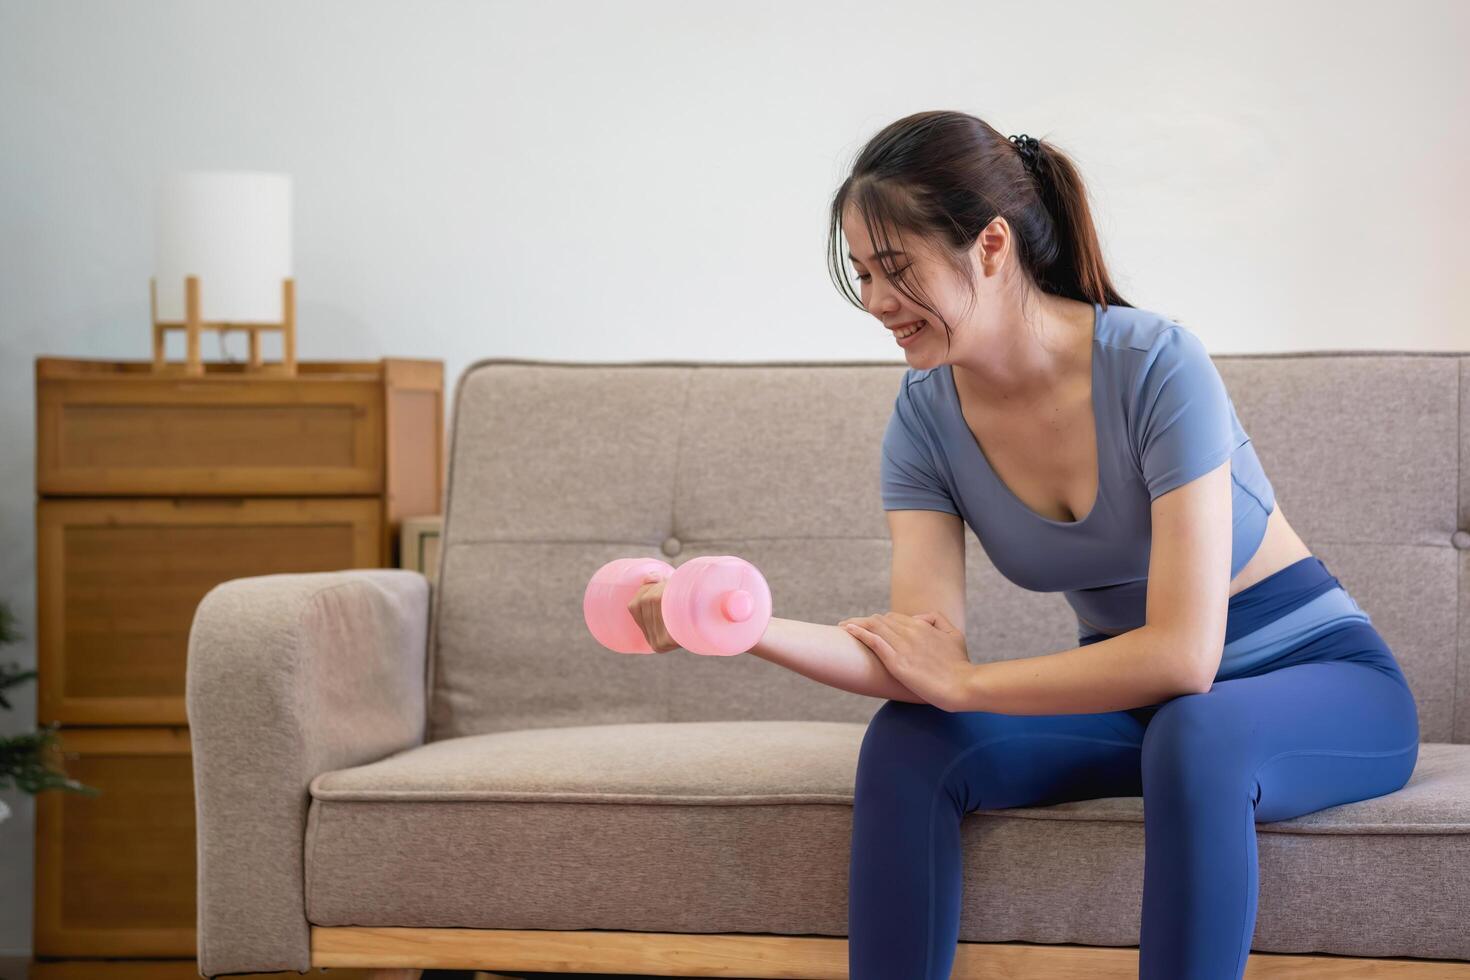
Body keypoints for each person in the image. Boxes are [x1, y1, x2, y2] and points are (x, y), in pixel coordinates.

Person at [826, 110, 1420, 980]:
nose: (875, 302)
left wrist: (968, 683)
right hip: (1138, 700)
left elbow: (1184, 656)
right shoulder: (923, 419)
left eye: (896, 269)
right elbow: (922, 653)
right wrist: (729, 623)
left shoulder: (1155, 364)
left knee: (1198, 732)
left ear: (991, 247)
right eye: (861, 274)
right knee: (912, 739)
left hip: (1319, 679)